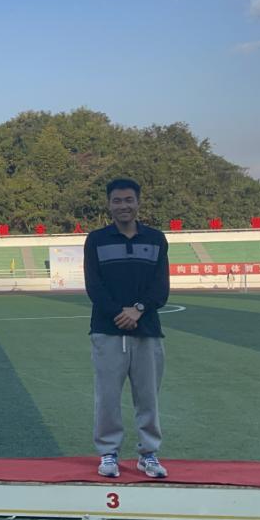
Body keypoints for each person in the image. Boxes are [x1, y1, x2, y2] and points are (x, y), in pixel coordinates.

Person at [84, 178, 170, 479]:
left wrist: (139, 309)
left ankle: (149, 454)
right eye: (117, 200)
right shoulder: (96, 240)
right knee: (107, 397)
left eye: (129, 200)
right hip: (107, 331)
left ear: (138, 202)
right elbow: (94, 286)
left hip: (147, 331)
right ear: (109, 204)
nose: (123, 205)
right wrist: (119, 313)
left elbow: (160, 288)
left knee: (148, 397)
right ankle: (108, 453)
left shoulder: (156, 239)